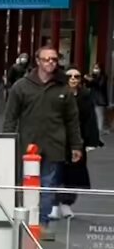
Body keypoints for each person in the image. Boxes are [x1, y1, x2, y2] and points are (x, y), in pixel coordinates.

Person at [2, 46, 82, 237]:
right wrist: (6, 142)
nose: (50, 63)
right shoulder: (21, 86)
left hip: (54, 145)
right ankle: (24, 222)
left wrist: (76, 145)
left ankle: (42, 224)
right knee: (26, 186)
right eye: (46, 59)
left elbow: (72, 119)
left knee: (47, 188)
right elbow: (10, 117)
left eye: (54, 59)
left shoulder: (63, 88)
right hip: (27, 146)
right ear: (37, 61)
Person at [54, 68, 102, 219]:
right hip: (58, 139)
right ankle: (54, 204)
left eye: (77, 76)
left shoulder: (85, 96)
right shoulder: (57, 94)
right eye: (70, 76)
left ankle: (67, 203)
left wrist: (91, 141)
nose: (74, 79)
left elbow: (90, 120)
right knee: (55, 171)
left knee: (74, 174)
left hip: (77, 140)